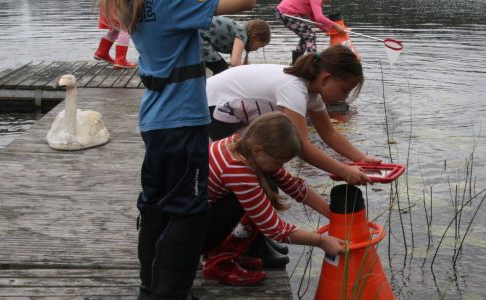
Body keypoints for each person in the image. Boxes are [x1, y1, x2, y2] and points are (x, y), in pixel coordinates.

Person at [99, 0, 257, 298]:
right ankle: (170, 293)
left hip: (157, 120)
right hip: (182, 121)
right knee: (189, 212)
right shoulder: (171, 5)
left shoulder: (136, 5)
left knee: (155, 207)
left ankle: (151, 288)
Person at [202, 112, 344, 286]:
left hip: (202, 216)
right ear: (258, 150)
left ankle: (231, 253)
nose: (281, 167)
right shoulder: (237, 169)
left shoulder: (244, 142)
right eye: (279, 162)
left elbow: (292, 185)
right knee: (262, 194)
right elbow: (274, 229)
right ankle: (219, 262)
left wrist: (333, 215)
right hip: (193, 233)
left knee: (267, 181)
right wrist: (322, 241)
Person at [206, 45, 378, 186]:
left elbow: (329, 134)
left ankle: (254, 221)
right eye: (344, 90)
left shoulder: (312, 94)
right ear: (326, 78)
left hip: (232, 110)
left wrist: (361, 159)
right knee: (254, 176)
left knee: (264, 175)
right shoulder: (294, 88)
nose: (344, 97)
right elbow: (301, 146)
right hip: (214, 105)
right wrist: (344, 170)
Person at [274, 0, 345, 63]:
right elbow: (319, 17)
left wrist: (323, 28)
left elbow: (314, 17)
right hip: (286, 13)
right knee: (310, 36)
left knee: (306, 36)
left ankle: (296, 62)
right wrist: (335, 25)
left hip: (284, 12)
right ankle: (313, 62)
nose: (329, 1)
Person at [200, 17, 271, 75]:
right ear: (254, 37)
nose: (256, 49)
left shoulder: (239, 31)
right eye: (259, 46)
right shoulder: (242, 35)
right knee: (222, 69)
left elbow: (233, 62)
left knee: (218, 66)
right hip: (199, 37)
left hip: (198, 32)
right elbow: (235, 63)